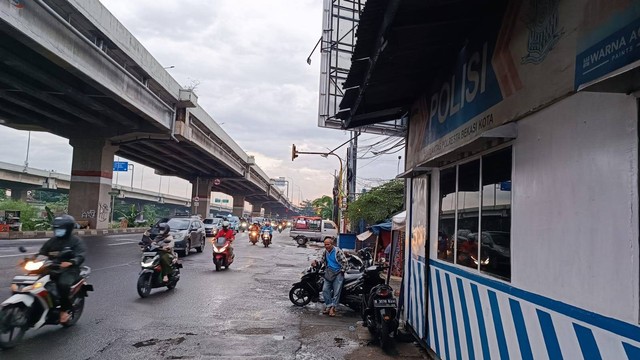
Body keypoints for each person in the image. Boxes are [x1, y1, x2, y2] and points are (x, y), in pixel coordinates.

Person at [38, 215, 87, 324]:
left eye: (61, 228)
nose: (58, 231)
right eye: (56, 228)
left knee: (63, 284)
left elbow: (81, 255)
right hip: (52, 267)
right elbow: (42, 253)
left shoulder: (75, 241)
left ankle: (64, 310)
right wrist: (30, 260)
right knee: (35, 281)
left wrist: (71, 262)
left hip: (70, 270)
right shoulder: (52, 241)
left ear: (68, 229)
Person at [311, 238, 349, 317]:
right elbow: (322, 261)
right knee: (325, 290)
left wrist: (342, 271)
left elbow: (345, 263)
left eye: (328, 244)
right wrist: (316, 263)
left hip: (338, 273)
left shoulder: (338, 252)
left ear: (332, 244)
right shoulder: (325, 252)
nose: (326, 246)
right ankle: (328, 305)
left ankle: (333, 308)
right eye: (325, 244)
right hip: (329, 273)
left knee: (336, 292)